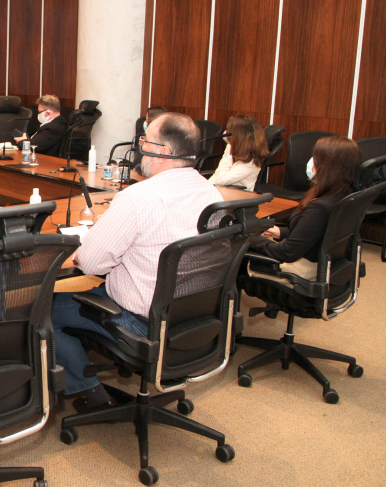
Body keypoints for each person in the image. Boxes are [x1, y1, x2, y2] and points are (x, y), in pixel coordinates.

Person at [51, 112, 223, 413]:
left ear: (164, 152)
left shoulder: (138, 198)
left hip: (141, 323)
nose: (140, 146)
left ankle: (93, 395)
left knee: (45, 308)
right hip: (192, 316)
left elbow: (90, 264)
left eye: (146, 140)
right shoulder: (211, 193)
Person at [249, 136, 360, 280]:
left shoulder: (319, 208)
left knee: (238, 250)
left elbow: (287, 252)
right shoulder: (345, 195)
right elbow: (315, 233)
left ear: (327, 166)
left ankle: (227, 299)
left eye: (315, 158)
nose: (311, 162)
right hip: (325, 266)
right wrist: (279, 232)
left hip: (301, 272)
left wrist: (250, 237)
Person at [208, 114, 268, 190]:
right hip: (222, 192)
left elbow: (221, 180)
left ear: (237, 136)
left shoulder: (250, 162)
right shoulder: (239, 152)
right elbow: (217, 175)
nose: (225, 132)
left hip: (236, 197)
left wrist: (229, 148)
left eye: (229, 130)